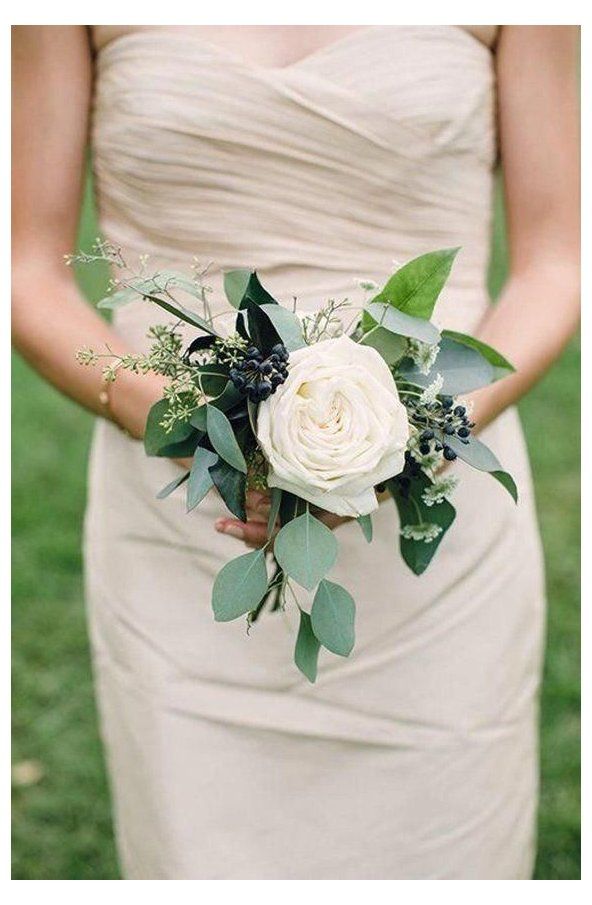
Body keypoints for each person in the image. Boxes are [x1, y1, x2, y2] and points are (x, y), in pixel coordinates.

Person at [12, 25, 580, 880]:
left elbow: (558, 261)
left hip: (434, 541)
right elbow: (24, 267)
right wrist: (192, 423)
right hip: (182, 531)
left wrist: (407, 436)